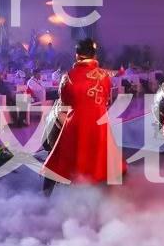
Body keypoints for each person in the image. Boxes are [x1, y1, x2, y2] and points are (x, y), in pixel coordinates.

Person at [42, 38, 126, 195]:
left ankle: (46, 196)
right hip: (100, 123)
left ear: (77, 55)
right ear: (94, 55)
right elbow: (106, 99)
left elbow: (65, 101)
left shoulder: (68, 76)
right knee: (103, 159)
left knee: (59, 159)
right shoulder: (104, 75)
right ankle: (107, 199)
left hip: (76, 123)